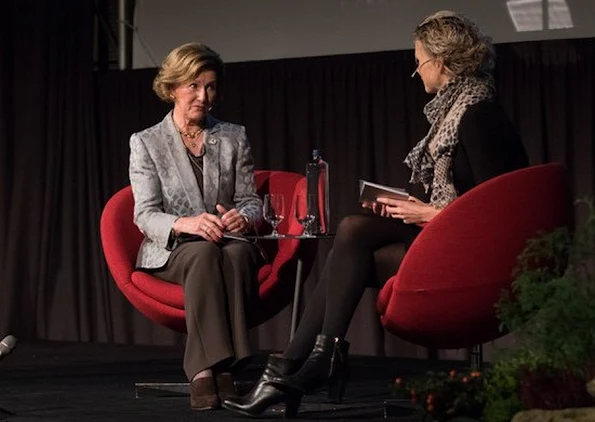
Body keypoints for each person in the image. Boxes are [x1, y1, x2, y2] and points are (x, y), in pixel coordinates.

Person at [222, 10, 528, 418]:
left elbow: (502, 211)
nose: (416, 72)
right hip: (452, 239)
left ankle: (295, 369)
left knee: (351, 235)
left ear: (439, 62)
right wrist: (411, 209)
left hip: (476, 256)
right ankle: (295, 369)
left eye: (418, 62)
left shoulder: (478, 115)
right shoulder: (458, 111)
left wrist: (431, 214)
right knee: (350, 246)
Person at [128, 42, 263, 411]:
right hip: (175, 248)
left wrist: (244, 216)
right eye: (194, 86)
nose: (204, 96)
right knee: (203, 253)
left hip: (228, 239)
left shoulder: (234, 136)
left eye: (211, 87)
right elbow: (145, 213)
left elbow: (251, 200)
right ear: (173, 87)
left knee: (236, 254)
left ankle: (220, 367)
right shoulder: (147, 143)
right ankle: (209, 368)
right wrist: (186, 223)